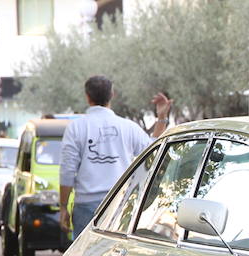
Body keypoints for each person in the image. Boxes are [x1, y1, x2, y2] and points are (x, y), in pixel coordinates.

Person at [59, 77, 171, 241]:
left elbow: (67, 171)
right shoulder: (128, 127)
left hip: (86, 206)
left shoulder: (76, 128)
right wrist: (161, 117)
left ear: (87, 96)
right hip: (120, 204)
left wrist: (63, 207)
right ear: (112, 94)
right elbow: (154, 149)